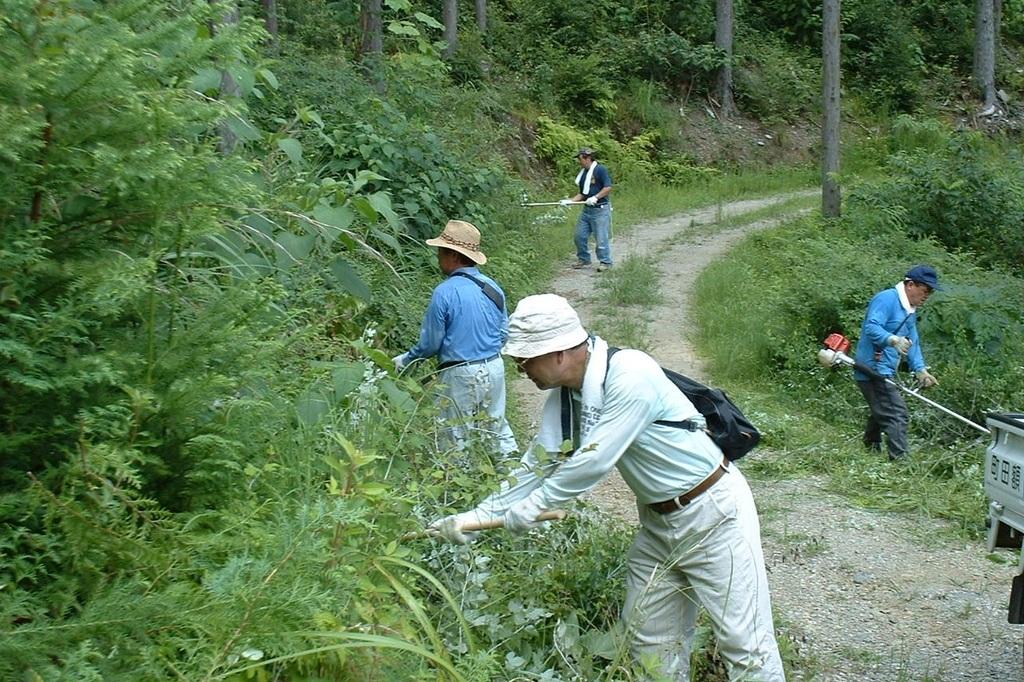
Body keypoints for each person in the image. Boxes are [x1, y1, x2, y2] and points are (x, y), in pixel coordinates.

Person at [430, 294, 785, 681]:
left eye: (525, 358)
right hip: (658, 526)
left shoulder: (631, 373)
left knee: (744, 644)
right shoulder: (568, 397)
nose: (519, 367)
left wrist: (535, 506)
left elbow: (596, 459)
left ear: (559, 352)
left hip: (714, 516)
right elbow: (537, 463)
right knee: (650, 642)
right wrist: (477, 515)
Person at [392, 220, 518, 456]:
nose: (438, 257)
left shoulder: (445, 292)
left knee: (454, 435)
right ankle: (513, 476)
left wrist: (406, 360)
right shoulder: (492, 287)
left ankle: (456, 487)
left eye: (440, 251)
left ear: (453, 255)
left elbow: (430, 344)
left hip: (460, 371)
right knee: (496, 428)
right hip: (494, 366)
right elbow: (504, 332)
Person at [852, 264, 942, 462]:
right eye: (925, 290)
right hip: (871, 368)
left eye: (930, 292)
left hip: (885, 369)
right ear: (910, 285)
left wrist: (921, 370)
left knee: (882, 408)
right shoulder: (887, 299)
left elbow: (913, 341)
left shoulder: (910, 309)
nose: (927, 295)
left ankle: (870, 447)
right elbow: (871, 327)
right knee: (896, 413)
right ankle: (900, 463)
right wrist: (892, 340)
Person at [560, 148, 613, 272]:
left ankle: (605, 262)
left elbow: (608, 187)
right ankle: (584, 259)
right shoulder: (584, 174)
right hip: (587, 211)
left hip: (600, 210)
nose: (579, 162)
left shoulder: (600, 170)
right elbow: (583, 194)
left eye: (580, 159)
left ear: (587, 158)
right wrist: (570, 201)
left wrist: (596, 197)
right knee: (579, 236)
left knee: (601, 238)